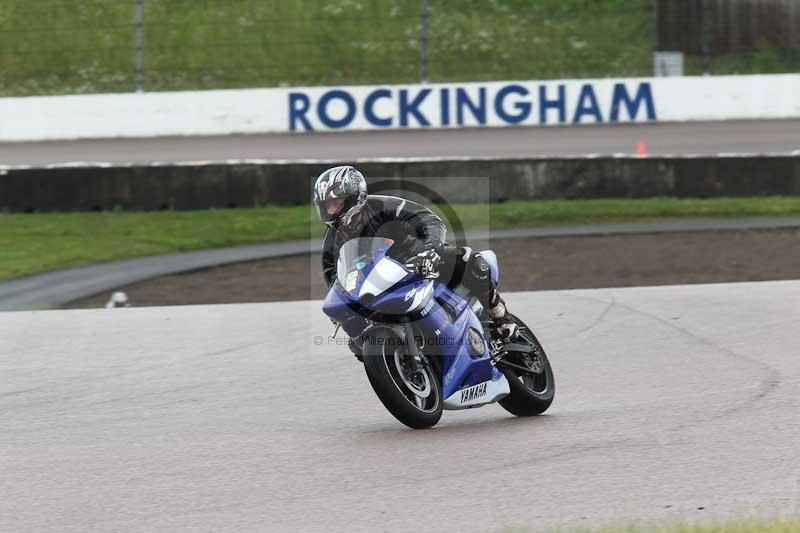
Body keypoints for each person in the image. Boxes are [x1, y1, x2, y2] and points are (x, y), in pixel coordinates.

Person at [314, 165, 518, 343]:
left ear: (354, 197)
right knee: (354, 335)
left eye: (336, 203)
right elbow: (334, 279)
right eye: (327, 206)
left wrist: (431, 249)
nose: (331, 210)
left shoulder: (384, 206)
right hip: (378, 282)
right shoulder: (332, 241)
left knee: (469, 260)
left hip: (416, 258)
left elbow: (429, 220)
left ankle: (499, 315)